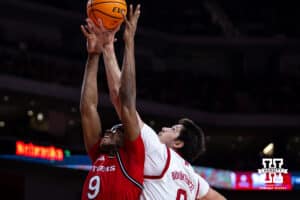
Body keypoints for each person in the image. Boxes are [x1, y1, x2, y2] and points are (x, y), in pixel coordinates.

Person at [85, 4, 226, 200]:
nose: (166, 128)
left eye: (174, 129)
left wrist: (110, 48)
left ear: (177, 143)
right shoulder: (193, 179)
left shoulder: (158, 152)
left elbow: (121, 99)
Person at [79, 10, 145, 200]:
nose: (109, 131)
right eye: (111, 129)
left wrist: (129, 42)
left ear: (128, 141)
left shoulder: (133, 157)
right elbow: (87, 109)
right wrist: (93, 56)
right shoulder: (98, 153)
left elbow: (126, 102)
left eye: (117, 130)